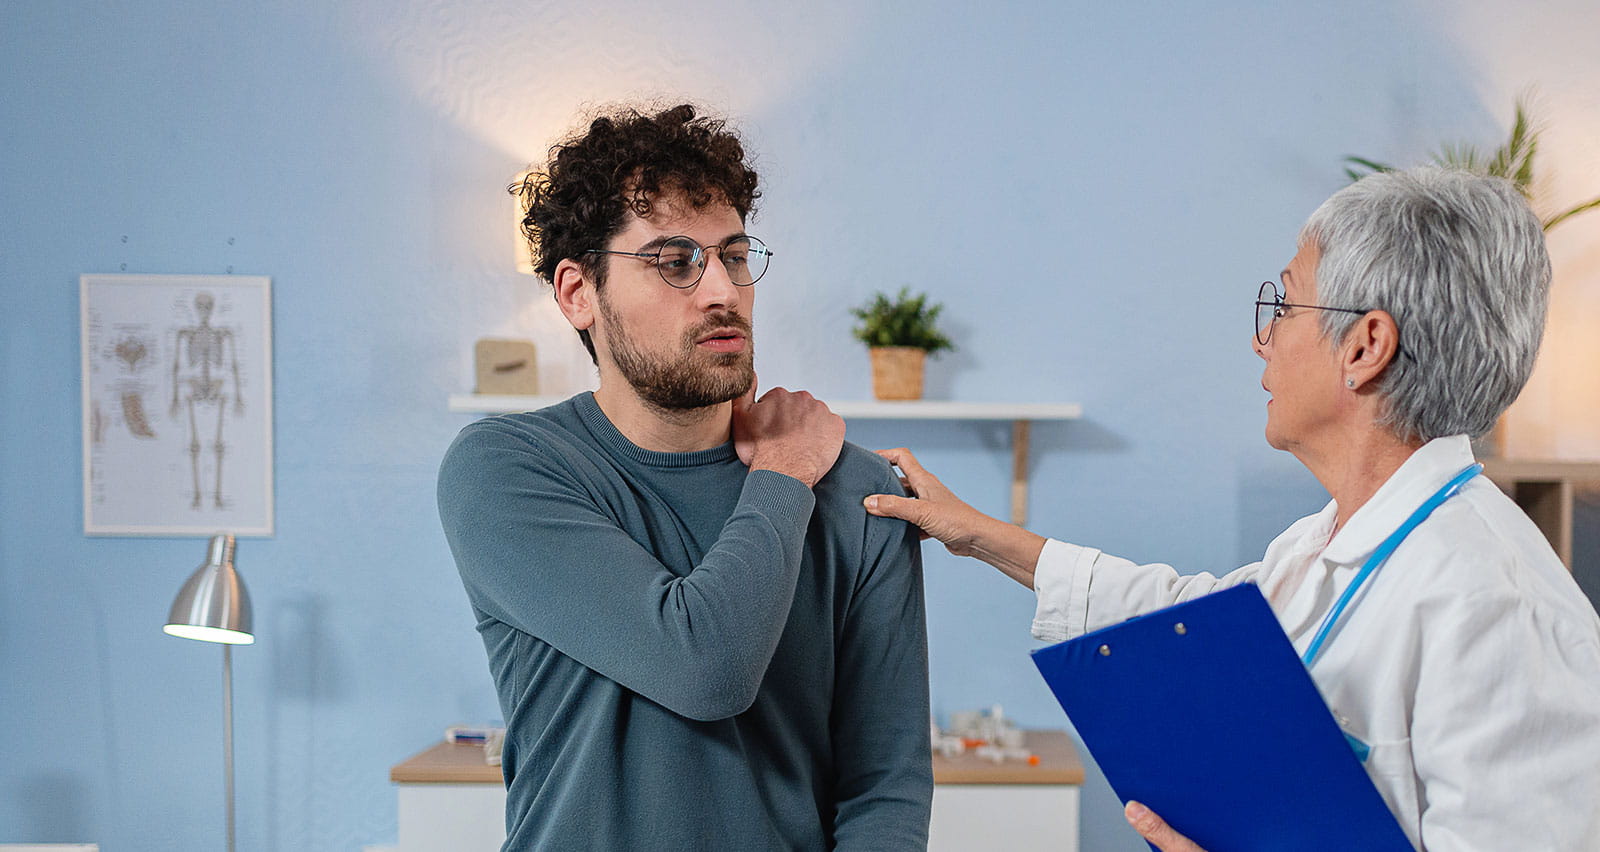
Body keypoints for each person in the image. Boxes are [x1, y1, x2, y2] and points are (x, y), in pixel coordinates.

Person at [860, 167, 1600, 851]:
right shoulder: (1333, 541)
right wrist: (982, 534)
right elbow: (1193, 616)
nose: (1260, 340)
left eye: (1284, 303)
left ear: (1366, 345)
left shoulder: (1500, 608)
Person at [436, 104, 931, 851]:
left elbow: (885, 787)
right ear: (578, 293)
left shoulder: (858, 492)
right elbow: (707, 667)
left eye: (733, 256)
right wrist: (786, 470)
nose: (721, 291)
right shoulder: (506, 469)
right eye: (675, 262)